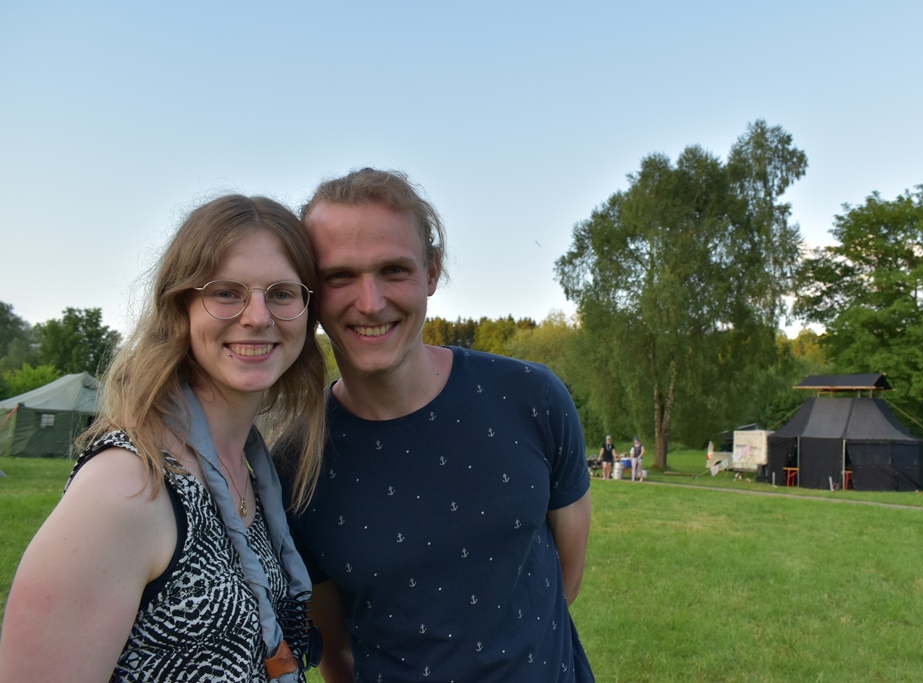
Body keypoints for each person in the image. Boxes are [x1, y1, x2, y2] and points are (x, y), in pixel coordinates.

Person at [280, 168, 594, 682]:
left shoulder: (533, 397)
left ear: (431, 272)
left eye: (393, 270)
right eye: (339, 277)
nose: (370, 303)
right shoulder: (296, 465)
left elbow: (565, 583)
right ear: (311, 292)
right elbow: (338, 654)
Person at [0, 195, 326, 682]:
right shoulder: (128, 486)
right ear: (181, 308)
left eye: (281, 293)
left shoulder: (251, 475)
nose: (258, 316)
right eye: (226, 292)